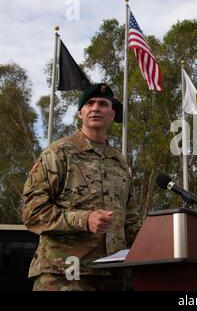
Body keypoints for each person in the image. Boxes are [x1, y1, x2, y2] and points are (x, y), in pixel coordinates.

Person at [22, 83, 143, 290]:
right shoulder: (58, 153)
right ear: (81, 113)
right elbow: (32, 212)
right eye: (90, 104)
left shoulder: (119, 162)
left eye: (103, 104)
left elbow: (130, 221)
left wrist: (159, 243)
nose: (96, 108)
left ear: (112, 114)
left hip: (112, 276)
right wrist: (84, 220)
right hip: (64, 275)